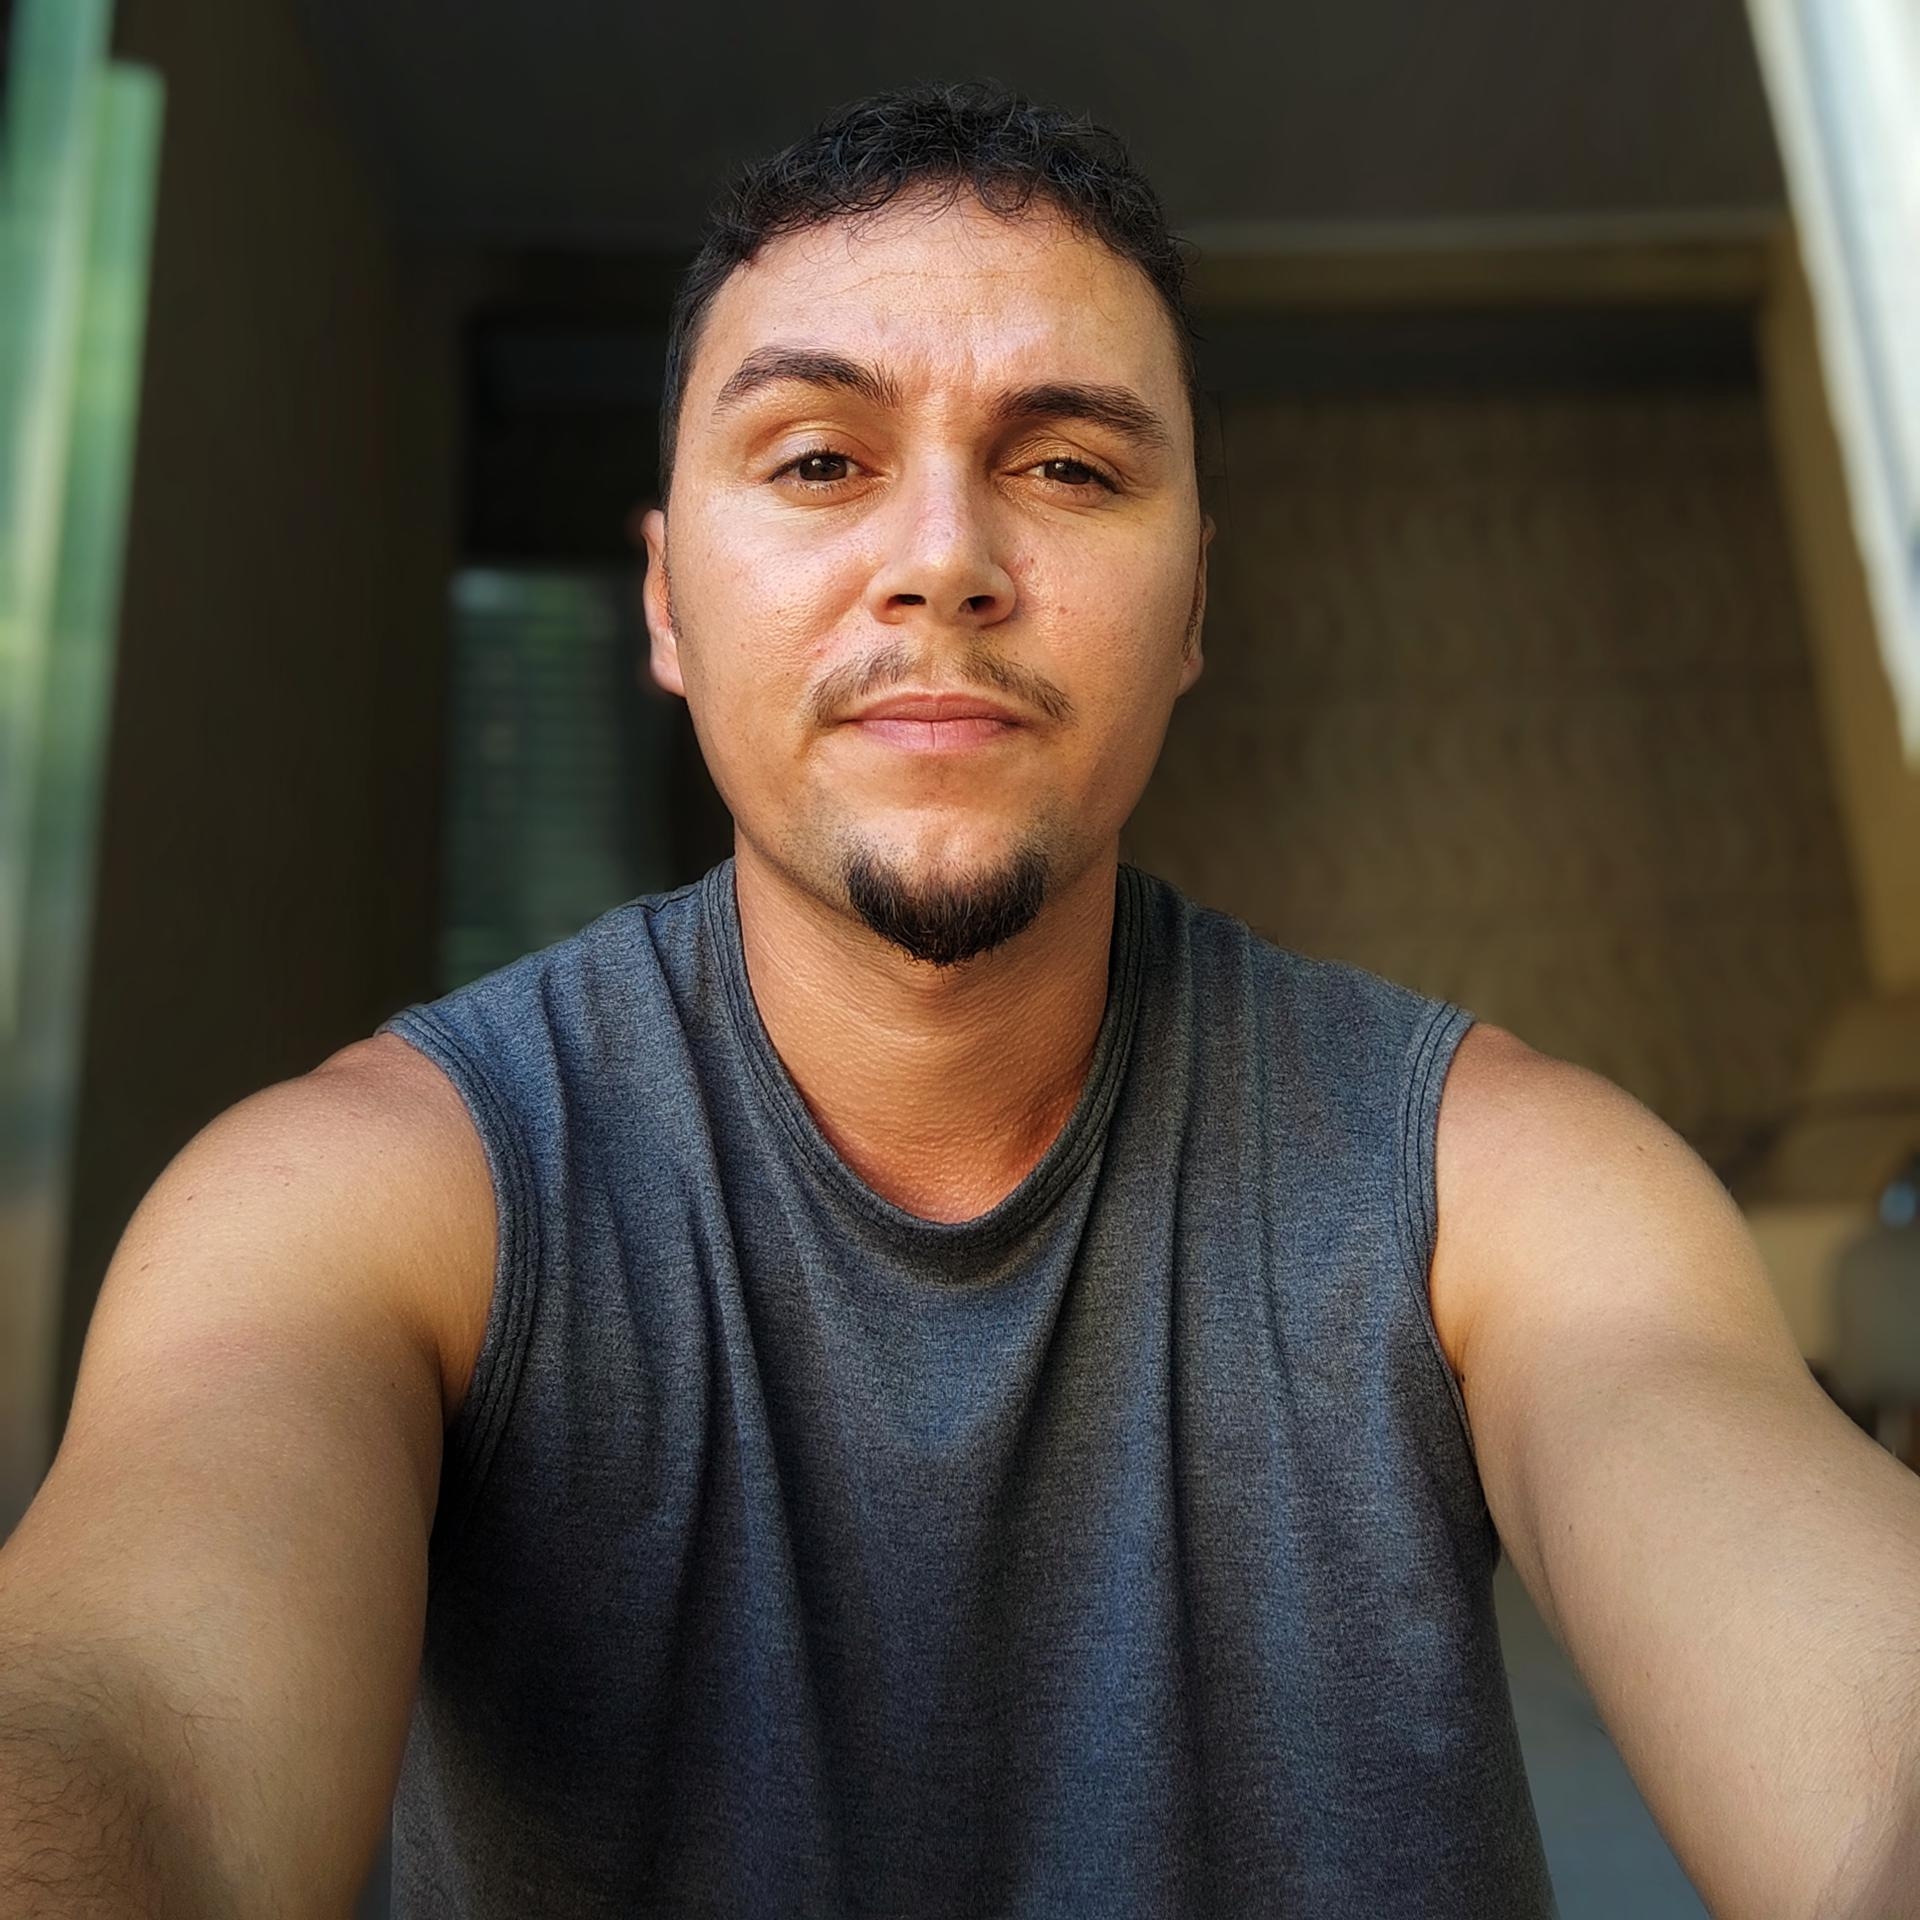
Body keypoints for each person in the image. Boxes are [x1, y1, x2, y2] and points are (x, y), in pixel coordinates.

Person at [2, 82, 1916, 1920]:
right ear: (665, 603)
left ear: (1192, 610)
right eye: (819, 461)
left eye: (1068, 468)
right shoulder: (366, 1202)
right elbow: (122, 1734)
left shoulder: (1501, 1184)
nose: (942, 562)